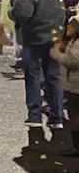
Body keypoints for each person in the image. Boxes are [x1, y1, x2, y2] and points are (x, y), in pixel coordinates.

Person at [10, 0, 66, 128]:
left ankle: (34, 115)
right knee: (54, 77)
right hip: (56, 36)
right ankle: (56, 117)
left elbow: (23, 12)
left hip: (34, 38)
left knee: (33, 76)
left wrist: (11, 13)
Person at [50, 15, 79, 154]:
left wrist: (56, 53)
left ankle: (77, 147)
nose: (68, 29)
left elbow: (72, 61)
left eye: (71, 27)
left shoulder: (77, 43)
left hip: (75, 86)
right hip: (74, 85)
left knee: (75, 117)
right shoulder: (73, 41)